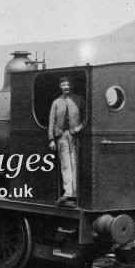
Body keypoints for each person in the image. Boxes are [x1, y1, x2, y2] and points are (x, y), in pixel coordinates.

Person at [48, 77, 85, 208]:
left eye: (68, 84)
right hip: (61, 136)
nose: (66, 87)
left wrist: (79, 127)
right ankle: (68, 192)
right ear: (60, 86)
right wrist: (51, 139)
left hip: (74, 136)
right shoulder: (56, 102)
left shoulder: (79, 99)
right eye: (63, 85)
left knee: (74, 163)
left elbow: (87, 117)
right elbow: (52, 121)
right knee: (65, 165)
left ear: (72, 85)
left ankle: (75, 192)